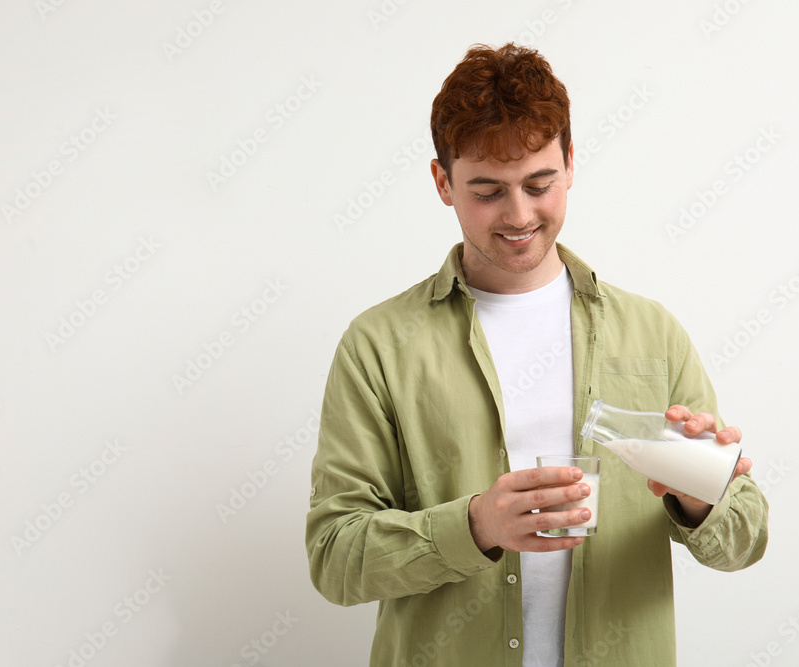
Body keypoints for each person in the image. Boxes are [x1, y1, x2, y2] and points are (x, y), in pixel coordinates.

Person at [305, 42, 768, 666]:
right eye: (488, 190)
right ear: (443, 182)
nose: (519, 214)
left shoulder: (653, 335)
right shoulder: (379, 347)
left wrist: (698, 494)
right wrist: (477, 526)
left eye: (539, 183)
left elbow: (745, 540)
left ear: (571, 163)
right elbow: (336, 560)